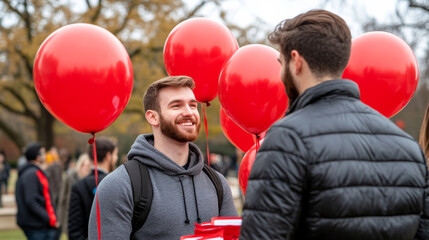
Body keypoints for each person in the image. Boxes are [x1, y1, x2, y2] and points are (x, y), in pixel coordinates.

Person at [240, 9, 429, 240]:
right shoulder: (408, 147)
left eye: (282, 63)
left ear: (296, 62)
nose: (280, 74)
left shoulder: (286, 139)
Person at [88, 76, 238, 240]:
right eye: (176, 106)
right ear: (153, 117)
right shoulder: (119, 185)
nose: (189, 112)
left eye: (193, 105)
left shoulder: (217, 183)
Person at [68, 138, 118, 240]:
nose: (116, 158)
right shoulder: (117, 184)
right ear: (108, 156)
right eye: (115, 154)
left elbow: (74, 229)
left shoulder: (78, 186)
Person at [15, 142, 60, 240]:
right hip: (36, 226)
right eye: (43, 153)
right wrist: (49, 218)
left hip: (39, 224)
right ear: (37, 157)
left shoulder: (33, 172)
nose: (45, 155)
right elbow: (31, 201)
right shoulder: (31, 174)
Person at [56, 153, 91, 237]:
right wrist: (59, 219)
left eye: (88, 166)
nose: (85, 168)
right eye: (84, 165)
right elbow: (62, 198)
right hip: (71, 216)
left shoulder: (91, 180)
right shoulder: (70, 177)